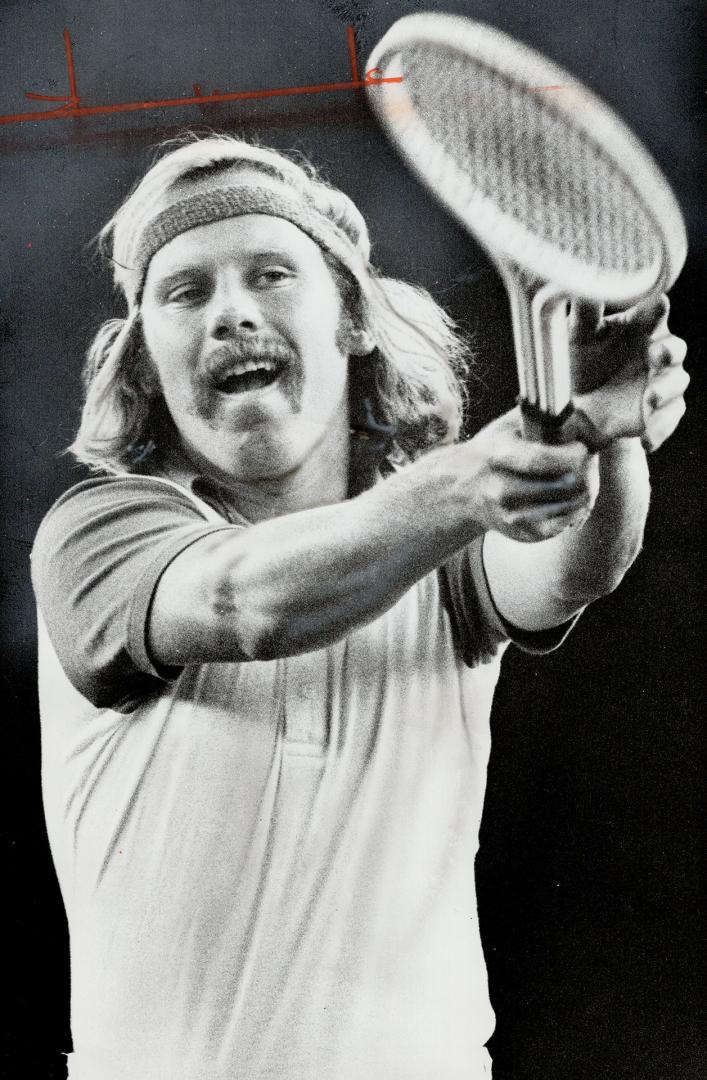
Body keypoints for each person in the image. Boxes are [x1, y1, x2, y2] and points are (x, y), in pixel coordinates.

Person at [31, 134, 688, 1080]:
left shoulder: (442, 549)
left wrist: (603, 435)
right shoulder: (100, 533)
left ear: (352, 321)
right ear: (145, 362)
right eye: (185, 292)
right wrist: (467, 481)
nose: (231, 314)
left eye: (269, 274)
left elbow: (574, 564)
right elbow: (242, 600)